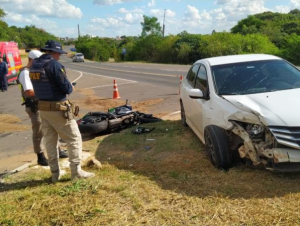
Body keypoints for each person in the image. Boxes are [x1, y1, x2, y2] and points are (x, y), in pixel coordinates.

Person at [30, 40, 94, 182]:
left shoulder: (34, 65)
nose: (59, 56)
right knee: (74, 139)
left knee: (50, 142)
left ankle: (55, 174)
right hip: (58, 109)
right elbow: (67, 89)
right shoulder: (54, 65)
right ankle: (76, 172)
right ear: (54, 52)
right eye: (59, 53)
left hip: (43, 109)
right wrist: (70, 85)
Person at [18, 50, 69, 167]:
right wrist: (46, 91)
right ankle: (40, 155)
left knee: (53, 128)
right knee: (39, 131)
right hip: (34, 106)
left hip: (44, 104)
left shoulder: (34, 70)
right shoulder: (25, 73)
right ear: (32, 60)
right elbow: (29, 91)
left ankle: (58, 150)